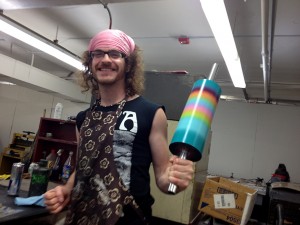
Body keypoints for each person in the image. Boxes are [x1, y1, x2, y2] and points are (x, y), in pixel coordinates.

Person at [44, 29, 194, 225]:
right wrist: (66, 189)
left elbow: (163, 178)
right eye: (98, 54)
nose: (105, 59)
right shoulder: (83, 118)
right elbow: (83, 165)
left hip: (130, 219)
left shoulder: (151, 113)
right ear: (90, 62)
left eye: (115, 54)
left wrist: (176, 180)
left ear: (128, 64)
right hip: (82, 217)